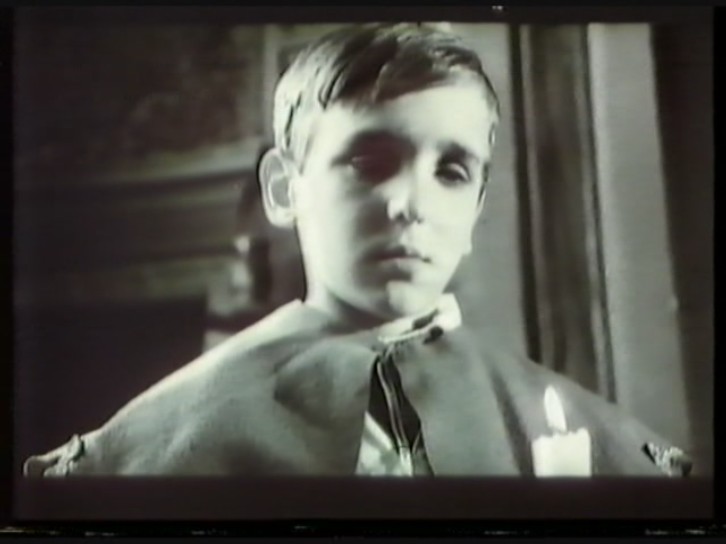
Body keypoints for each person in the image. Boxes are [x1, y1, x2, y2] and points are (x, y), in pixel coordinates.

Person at [23, 23, 691, 477]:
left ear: (475, 211)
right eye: (369, 163)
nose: (410, 203)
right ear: (284, 189)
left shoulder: (575, 429)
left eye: (451, 171)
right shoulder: (157, 444)